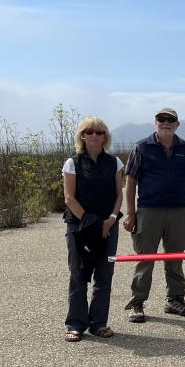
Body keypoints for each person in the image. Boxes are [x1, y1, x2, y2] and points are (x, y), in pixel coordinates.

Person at [122, 108, 185, 323]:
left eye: (170, 120)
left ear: (177, 124)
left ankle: (175, 300)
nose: (166, 123)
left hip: (178, 211)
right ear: (155, 122)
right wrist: (130, 213)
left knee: (175, 258)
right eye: (161, 119)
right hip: (149, 210)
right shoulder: (141, 147)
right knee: (145, 258)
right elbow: (130, 183)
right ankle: (137, 303)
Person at [62, 117, 124, 342]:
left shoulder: (115, 162)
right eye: (89, 131)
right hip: (79, 226)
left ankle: (99, 323)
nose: (94, 135)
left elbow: (119, 195)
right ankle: (76, 323)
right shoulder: (73, 163)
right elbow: (69, 198)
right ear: (82, 135)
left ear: (105, 136)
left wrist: (111, 219)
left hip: (109, 225)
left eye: (99, 132)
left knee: (104, 274)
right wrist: (92, 224)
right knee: (78, 274)